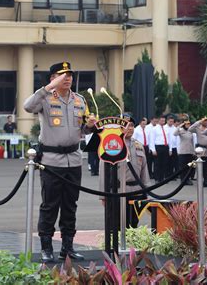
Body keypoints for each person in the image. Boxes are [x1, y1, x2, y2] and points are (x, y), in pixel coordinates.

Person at [23, 61, 95, 262]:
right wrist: (48, 89)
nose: (68, 78)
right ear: (53, 78)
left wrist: (90, 126)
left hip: (73, 159)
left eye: (70, 74)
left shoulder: (80, 100)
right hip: (51, 161)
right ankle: (46, 247)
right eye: (62, 75)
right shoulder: (45, 99)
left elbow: (83, 129)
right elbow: (27, 106)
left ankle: (68, 247)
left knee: (70, 205)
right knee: (50, 205)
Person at [99, 115, 151, 227]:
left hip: (136, 192)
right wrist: (103, 195)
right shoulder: (111, 144)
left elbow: (144, 170)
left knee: (133, 224)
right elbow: (104, 171)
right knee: (116, 225)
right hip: (117, 192)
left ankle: (130, 245)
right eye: (126, 125)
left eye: (132, 125)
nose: (130, 128)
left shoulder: (139, 145)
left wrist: (146, 190)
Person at [189, 117, 207, 187]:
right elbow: (190, 129)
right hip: (201, 149)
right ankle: (200, 181)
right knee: (201, 167)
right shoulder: (197, 128)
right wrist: (199, 121)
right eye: (204, 121)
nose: (206, 122)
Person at [149, 115, 171, 183]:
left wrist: (170, 149)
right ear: (158, 121)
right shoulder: (154, 129)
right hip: (158, 147)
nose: (163, 122)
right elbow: (151, 140)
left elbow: (169, 139)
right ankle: (157, 178)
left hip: (165, 146)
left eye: (164, 120)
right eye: (161, 120)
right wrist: (153, 150)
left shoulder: (166, 128)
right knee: (157, 163)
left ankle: (162, 178)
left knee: (165, 163)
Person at [173, 119, 194, 185]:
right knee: (182, 167)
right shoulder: (181, 131)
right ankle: (183, 180)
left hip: (189, 151)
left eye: (189, 124)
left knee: (189, 167)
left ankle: (188, 179)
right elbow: (174, 133)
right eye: (187, 124)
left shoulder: (190, 132)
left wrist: (193, 151)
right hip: (183, 152)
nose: (188, 125)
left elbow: (192, 142)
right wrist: (180, 126)